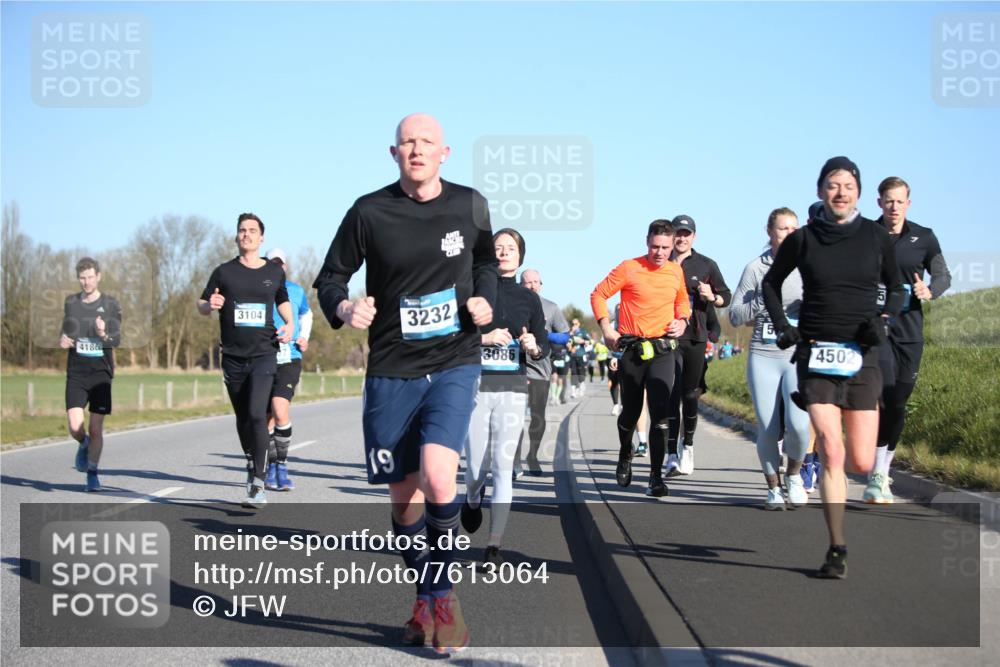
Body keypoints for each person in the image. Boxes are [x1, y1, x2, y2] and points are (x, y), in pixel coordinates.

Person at [313, 113, 496, 654]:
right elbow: (330, 277)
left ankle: (443, 597)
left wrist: (486, 296)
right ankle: (424, 593)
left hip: (455, 359)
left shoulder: (469, 205)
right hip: (392, 367)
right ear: (393, 154)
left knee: (441, 479)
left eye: (426, 142)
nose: (416, 150)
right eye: (407, 143)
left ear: (445, 152)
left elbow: (485, 261)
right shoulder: (369, 211)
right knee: (404, 501)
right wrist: (345, 306)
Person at [762, 156, 904, 578]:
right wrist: (784, 327)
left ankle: (854, 478)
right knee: (831, 450)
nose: (840, 192)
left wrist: (883, 321)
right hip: (816, 351)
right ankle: (836, 546)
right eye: (831, 185)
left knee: (861, 461)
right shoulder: (804, 239)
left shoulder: (876, 237)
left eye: (847, 185)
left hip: (862, 355)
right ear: (821, 191)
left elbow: (896, 286)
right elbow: (772, 284)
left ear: (858, 192)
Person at [462, 229, 548, 564]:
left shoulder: (529, 299)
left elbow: (542, 346)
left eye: (510, 248)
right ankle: (471, 499)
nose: (503, 252)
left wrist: (533, 346)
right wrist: (484, 339)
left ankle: (494, 543)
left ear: (520, 256)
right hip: (475, 385)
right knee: (474, 470)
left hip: (512, 388)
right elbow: (453, 337)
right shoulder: (472, 291)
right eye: (498, 247)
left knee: (502, 465)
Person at [866, 176, 951, 503]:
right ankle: (875, 471)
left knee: (899, 402)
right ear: (879, 203)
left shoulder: (924, 237)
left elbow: (942, 274)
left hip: (910, 330)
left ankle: (883, 470)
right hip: (878, 328)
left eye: (900, 201)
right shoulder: (867, 235)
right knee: (886, 395)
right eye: (888, 201)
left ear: (908, 204)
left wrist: (930, 290)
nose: (894, 207)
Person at [199, 214, 294, 508]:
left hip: (265, 353)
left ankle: (258, 481)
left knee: (256, 414)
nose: (246, 235)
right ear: (237, 236)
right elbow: (203, 302)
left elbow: (283, 300)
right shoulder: (223, 272)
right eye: (242, 230)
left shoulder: (274, 273)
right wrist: (209, 305)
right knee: (243, 419)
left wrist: (290, 325)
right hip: (232, 357)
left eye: (252, 231)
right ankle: (252, 460)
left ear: (261, 238)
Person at [591, 220, 691, 497]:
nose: (659, 253)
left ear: (673, 247)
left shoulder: (675, 272)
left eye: (665, 248)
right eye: (654, 246)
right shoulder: (629, 267)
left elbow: (682, 302)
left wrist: (682, 321)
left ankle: (655, 477)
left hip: (662, 350)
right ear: (646, 242)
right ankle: (626, 451)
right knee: (631, 411)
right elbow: (598, 294)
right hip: (633, 350)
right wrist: (607, 328)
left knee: (661, 415)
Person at [730, 207, 810, 510]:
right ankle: (773, 488)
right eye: (782, 229)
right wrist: (765, 296)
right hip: (764, 353)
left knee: (799, 425)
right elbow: (735, 315)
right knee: (768, 425)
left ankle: (793, 475)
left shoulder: (807, 265)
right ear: (769, 232)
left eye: (793, 229)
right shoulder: (755, 268)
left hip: (797, 353)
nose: (788, 234)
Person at [666, 215, 731, 476]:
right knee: (669, 394)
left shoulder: (706, 265)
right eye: (677, 234)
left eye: (686, 234)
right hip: (666, 336)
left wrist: (712, 297)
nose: (681, 238)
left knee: (690, 395)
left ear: (694, 236)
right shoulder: (660, 261)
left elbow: (726, 296)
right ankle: (671, 453)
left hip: (695, 337)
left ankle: (688, 445)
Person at [61, 257, 122, 492]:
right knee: (75, 427)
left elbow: (116, 339)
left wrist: (103, 333)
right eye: (82, 278)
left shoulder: (110, 304)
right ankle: (83, 444)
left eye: (90, 277)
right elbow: (65, 332)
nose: (86, 282)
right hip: (76, 372)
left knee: (96, 428)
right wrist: (63, 339)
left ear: (98, 276)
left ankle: (92, 474)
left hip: (100, 374)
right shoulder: (71, 303)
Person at [263, 248, 313, 492]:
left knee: (280, 410)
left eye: (279, 263)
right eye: (271, 263)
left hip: (289, 356)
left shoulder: (295, 290)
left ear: (285, 266)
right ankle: (269, 467)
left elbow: (307, 313)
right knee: (265, 419)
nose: (276, 267)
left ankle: (280, 466)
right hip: (262, 358)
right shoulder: (257, 288)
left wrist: (303, 336)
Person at [514, 268, 569, 475]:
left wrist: (545, 335)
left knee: (538, 416)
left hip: (540, 369)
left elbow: (564, 337)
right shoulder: (513, 304)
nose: (532, 286)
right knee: (515, 417)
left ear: (541, 284)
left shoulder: (551, 307)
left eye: (536, 282)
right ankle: (515, 460)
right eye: (528, 283)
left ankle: (533, 455)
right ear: (521, 285)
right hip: (516, 368)